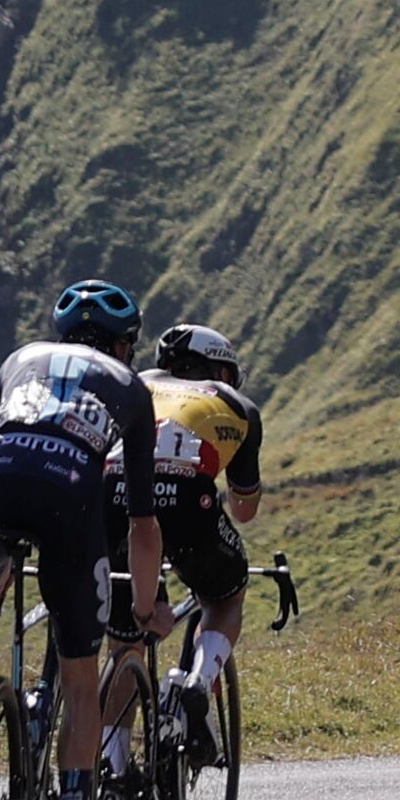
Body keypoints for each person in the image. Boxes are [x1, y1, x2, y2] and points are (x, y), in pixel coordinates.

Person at [0, 279, 168, 800]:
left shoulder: (20, 359)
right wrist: (147, 605)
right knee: (80, 682)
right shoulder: (130, 388)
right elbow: (143, 525)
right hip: (70, 494)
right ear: (126, 346)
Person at [124, 321, 266, 769]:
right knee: (226, 593)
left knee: (126, 634)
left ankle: (113, 766)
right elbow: (244, 511)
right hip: (188, 505)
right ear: (219, 373)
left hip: (115, 499)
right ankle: (200, 681)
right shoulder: (235, 404)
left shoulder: (130, 385)